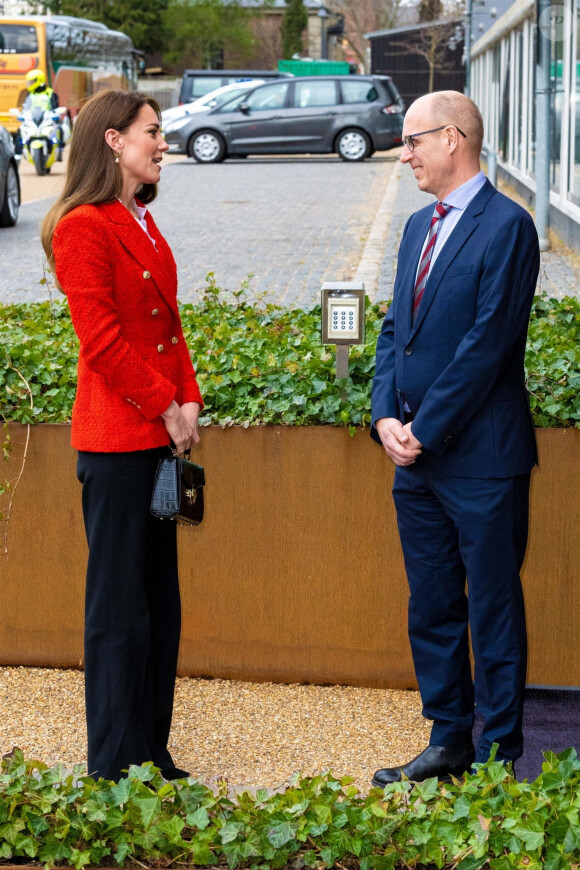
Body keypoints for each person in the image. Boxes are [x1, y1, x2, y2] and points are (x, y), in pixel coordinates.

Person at [370, 90, 540, 786]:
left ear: (452, 139)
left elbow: (488, 344)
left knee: (492, 605)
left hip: (482, 461)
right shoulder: (416, 225)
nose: (404, 155)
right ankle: (448, 740)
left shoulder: (509, 228)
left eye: (412, 142)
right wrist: (384, 416)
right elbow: (392, 330)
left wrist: (424, 429)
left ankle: (498, 753)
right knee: (433, 604)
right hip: (415, 461)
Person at [41, 90, 204, 782]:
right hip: (115, 447)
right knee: (118, 612)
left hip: (156, 442)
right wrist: (168, 405)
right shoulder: (83, 226)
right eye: (153, 132)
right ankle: (112, 765)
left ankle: (151, 752)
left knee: (159, 609)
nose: (163, 144)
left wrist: (189, 399)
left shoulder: (139, 221)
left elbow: (166, 330)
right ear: (113, 140)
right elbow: (102, 342)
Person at [22, 70, 64, 160]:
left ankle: (60, 150)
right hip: (34, 120)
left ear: (39, 81)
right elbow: (26, 106)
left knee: (60, 130)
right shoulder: (30, 94)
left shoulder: (50, 93)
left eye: (31, 82)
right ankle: (19, 154)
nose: (29, 84)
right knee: (20, 134)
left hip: (47, 119)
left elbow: (55, 106)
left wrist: (56, 113)